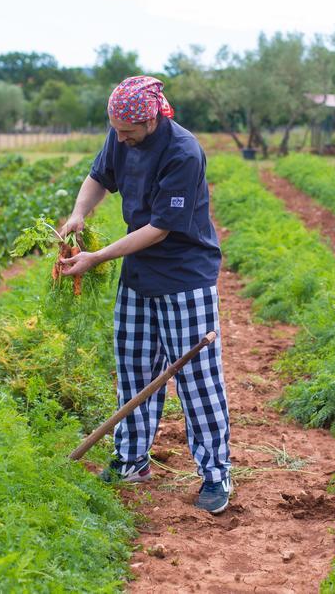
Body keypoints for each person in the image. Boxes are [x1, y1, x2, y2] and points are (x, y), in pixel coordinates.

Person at [59, 75, 232, 514]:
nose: (120, 138)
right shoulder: (122, 134)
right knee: (134, 371)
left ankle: (216, 476)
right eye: (115, 130)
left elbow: (158, 230)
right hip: (139, 274)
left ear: (151, 117)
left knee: (198, 382)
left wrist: (97, 257)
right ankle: (131, 460)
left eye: (127, 131)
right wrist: (79, 213)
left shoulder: (182, 152)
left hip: (184, 278)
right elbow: (98, 175)